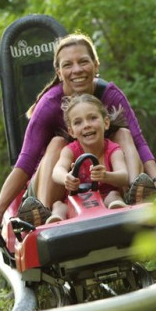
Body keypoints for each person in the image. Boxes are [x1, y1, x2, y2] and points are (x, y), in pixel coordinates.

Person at [0, 33, 156, 239]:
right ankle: (44, 213)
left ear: (95, 64)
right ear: (58, 71)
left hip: (106, 185)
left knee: (124, 133)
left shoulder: (110, 95)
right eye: (68, 65)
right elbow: (25, 163)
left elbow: (138, 142)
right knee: (57, 142)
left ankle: (135, 195)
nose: (77, 70)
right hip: (58, 189)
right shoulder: (49, 105)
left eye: (83, 62)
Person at [47, 94, 129, 223]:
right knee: (58, 205)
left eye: (92, 118)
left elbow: (124, 176)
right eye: (78, 122)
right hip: (75, 202)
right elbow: (57, 170)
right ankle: (56, 222)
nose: (86, 125)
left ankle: (118, 213)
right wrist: (66, 178)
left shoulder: (113, 150)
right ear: (72, 131)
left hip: (104, 199)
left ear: (106, 123)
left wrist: (106, 176)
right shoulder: (70, 150)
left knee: (114, 195)